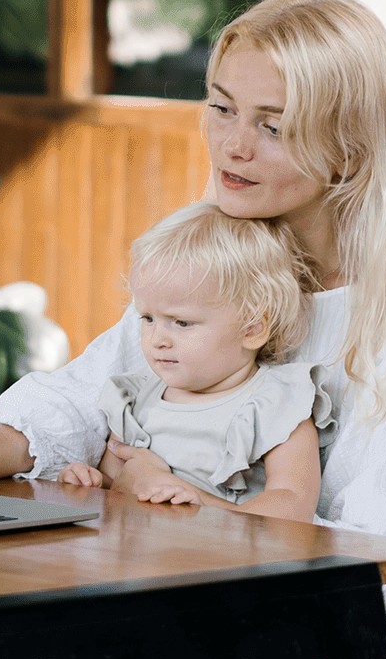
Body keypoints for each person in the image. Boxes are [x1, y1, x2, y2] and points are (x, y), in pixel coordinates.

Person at [0, 0, 386, 659]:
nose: (233, 144)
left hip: (377, 635)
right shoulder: (223, 255)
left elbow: (371, 558)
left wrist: (174, 498)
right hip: (205, 596)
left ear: (348, 150)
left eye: (274, 127)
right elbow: (81, 401)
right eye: (222, 107)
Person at [56, 201, 334, 520]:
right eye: (147, 318)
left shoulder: (277, 403)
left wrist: (194, 499)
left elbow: (293, 511)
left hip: (225, 563)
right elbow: (121, 488)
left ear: (253, 328)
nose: (156, 338)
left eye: (181, 322)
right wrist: (88, 485)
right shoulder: (135, 397)